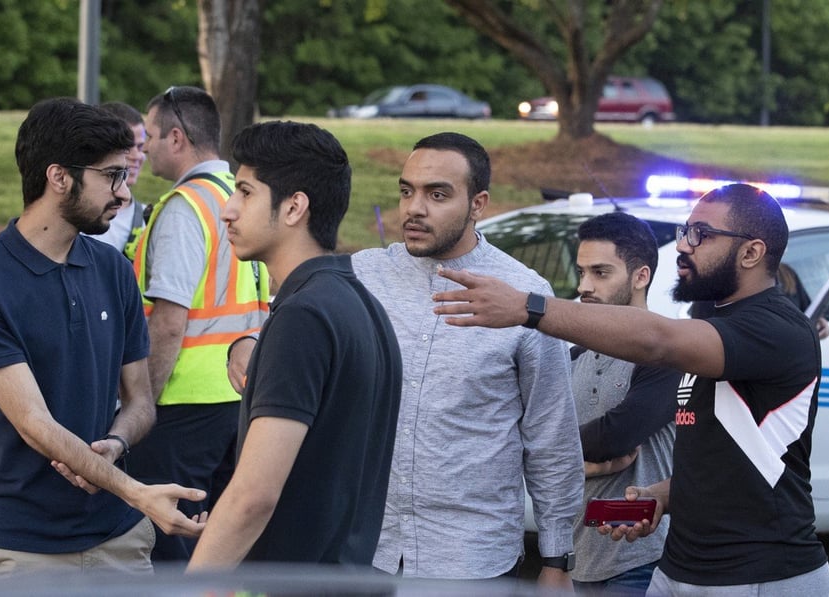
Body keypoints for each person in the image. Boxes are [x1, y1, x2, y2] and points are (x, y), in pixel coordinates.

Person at [432, 183, 829, 595]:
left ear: (751, 253)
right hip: (680, 569)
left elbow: (657, 341)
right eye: (685, 231)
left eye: (701, 235)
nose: (683, 246)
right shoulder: (719, 323)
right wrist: (665, 495)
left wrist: (528, 307)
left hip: (758, 574)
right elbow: (733, 456)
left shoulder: (775, 328)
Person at [228, 132, 583, 586]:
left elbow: (551, 439)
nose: (414, 208)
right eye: (406, 191)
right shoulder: (361, 274)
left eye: (437, 194)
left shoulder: (523, 295)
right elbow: (296, 341)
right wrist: (243, 347)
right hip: (363, 551)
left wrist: (556, 561)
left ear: (479, 204)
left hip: (469, 560)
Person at [0, 98, 208, 579]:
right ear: (59, 176)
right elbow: (33, 424)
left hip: (118, 542)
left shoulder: (112, 269)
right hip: (18, 549)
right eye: (112, 175)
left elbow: (140, 403)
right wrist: (138, 492)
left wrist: (115, 440)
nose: (125, 193)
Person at [186, 120, 401, 570]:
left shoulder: (304, 316)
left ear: (293, 208)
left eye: (245, 192)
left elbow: (252, 496)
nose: (228, 209)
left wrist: (190, 584)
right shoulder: (360, 304)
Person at [126, 86, 269, 564]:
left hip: (181, 405)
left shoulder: (185, 207)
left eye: (148, 136)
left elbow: (168, 321)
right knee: (219, 545)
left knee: (169, 544)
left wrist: (140, 404)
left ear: (176, 137)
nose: (142, 148)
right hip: (237, 396)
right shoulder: (240, 197)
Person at [567, 212, 679, 595]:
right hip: (580, 558)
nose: (584, 286)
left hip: (640, 560)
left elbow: (617, 435)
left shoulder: (665, 353)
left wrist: (548, 450)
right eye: (581, 273)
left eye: (600, 273)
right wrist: (576, 463)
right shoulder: (575, 355)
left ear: (640, 276)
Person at [88, 101, 147, 259]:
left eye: (141, 147)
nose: (137, 156)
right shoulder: (78, 216)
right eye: (127, 148)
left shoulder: (149, 219)